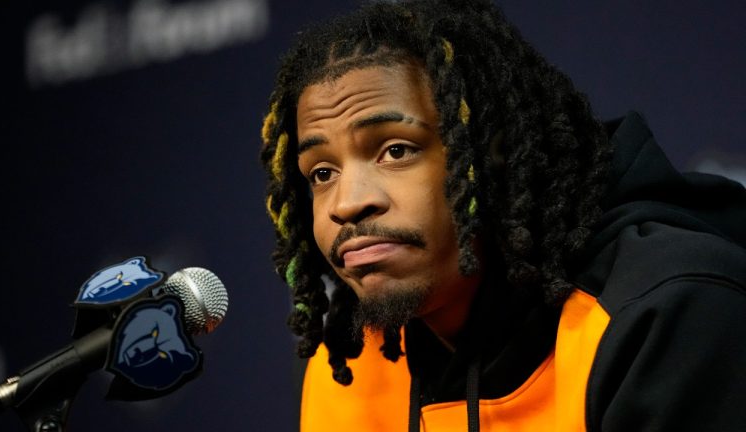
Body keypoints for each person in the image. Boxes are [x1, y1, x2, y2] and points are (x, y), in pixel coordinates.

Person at [259, 1, 746, 430]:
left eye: (396, 150)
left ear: (496, 154)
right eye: (321, 173)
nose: (346, 203)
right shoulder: (348, 365)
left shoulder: (663, 314)